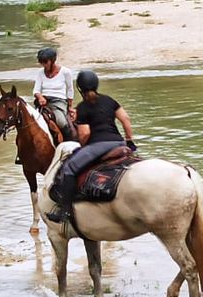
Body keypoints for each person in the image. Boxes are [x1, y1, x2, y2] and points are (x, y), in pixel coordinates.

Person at [45, 70, 136, 224]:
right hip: (119, 142)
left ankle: (65, 212)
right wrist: (129, 140)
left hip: (99, 145)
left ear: (80, 89)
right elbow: (125, 119)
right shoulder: (109, 100)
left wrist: (84, 147)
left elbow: (85, 134)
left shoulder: (83, 107)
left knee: (69, 168)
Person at [32, 46, 76, 142]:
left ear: (52, 60)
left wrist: (70, 106)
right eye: (41, 62)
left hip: (59, 101)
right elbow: (36, 90)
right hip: (43, 101)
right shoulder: (40, 73)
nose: (43, 65)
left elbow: (70, 90)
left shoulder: (65, 72)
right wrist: (40, 97)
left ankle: (70, 143)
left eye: (45, 62)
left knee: (61, 122)